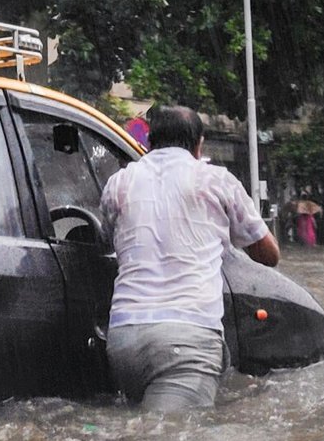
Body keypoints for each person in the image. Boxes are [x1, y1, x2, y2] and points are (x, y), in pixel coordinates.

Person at [98, 102, 279, 414]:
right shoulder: (216, 181)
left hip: (123, 338)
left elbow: (106, 238)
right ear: (199, 146)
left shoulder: (119, 183)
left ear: (149, 143)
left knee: (139, 438)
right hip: (186, 340)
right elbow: (268, 254)